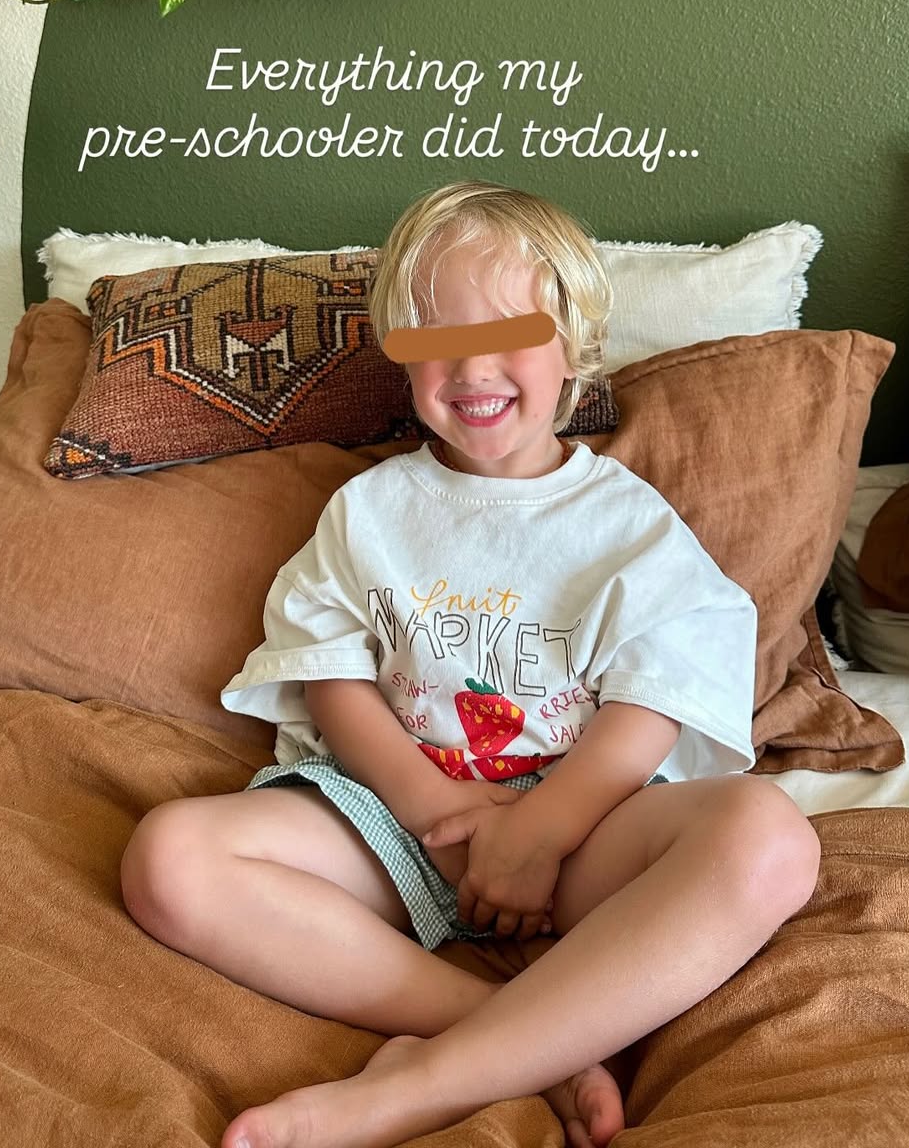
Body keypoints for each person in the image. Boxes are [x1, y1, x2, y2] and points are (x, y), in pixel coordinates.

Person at [120, 182, 822, 1148]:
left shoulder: (628, 524)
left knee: (770, 840)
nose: (472, 367)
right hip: (397, 827)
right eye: (436, 339)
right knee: (169, 859)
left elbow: (653, 701)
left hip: (584, 834)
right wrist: (435, 811)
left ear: (575, 347)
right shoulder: (371, 512)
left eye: (511, 333)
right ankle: (515, 1038)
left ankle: (420, 1086)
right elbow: (332, 672)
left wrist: (541, 831)